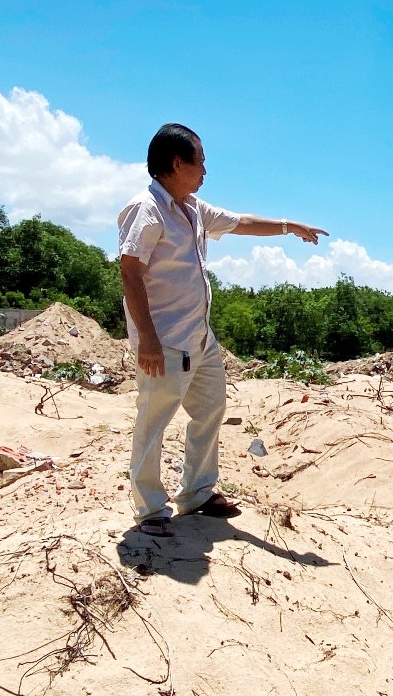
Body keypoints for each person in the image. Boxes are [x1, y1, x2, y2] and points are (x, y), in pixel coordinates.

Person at [119, 123, 328, 537]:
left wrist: (289, 225)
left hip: (200, 337)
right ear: (177, 163)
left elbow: (243, 222)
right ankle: (149, 507)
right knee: (154, 421)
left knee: (211, 409)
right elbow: (130, 272)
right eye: (200, 161)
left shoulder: (193, 208)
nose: (205, 170)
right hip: (165, 341)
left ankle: (196, 493)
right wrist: (147, 341)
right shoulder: (147, 209)